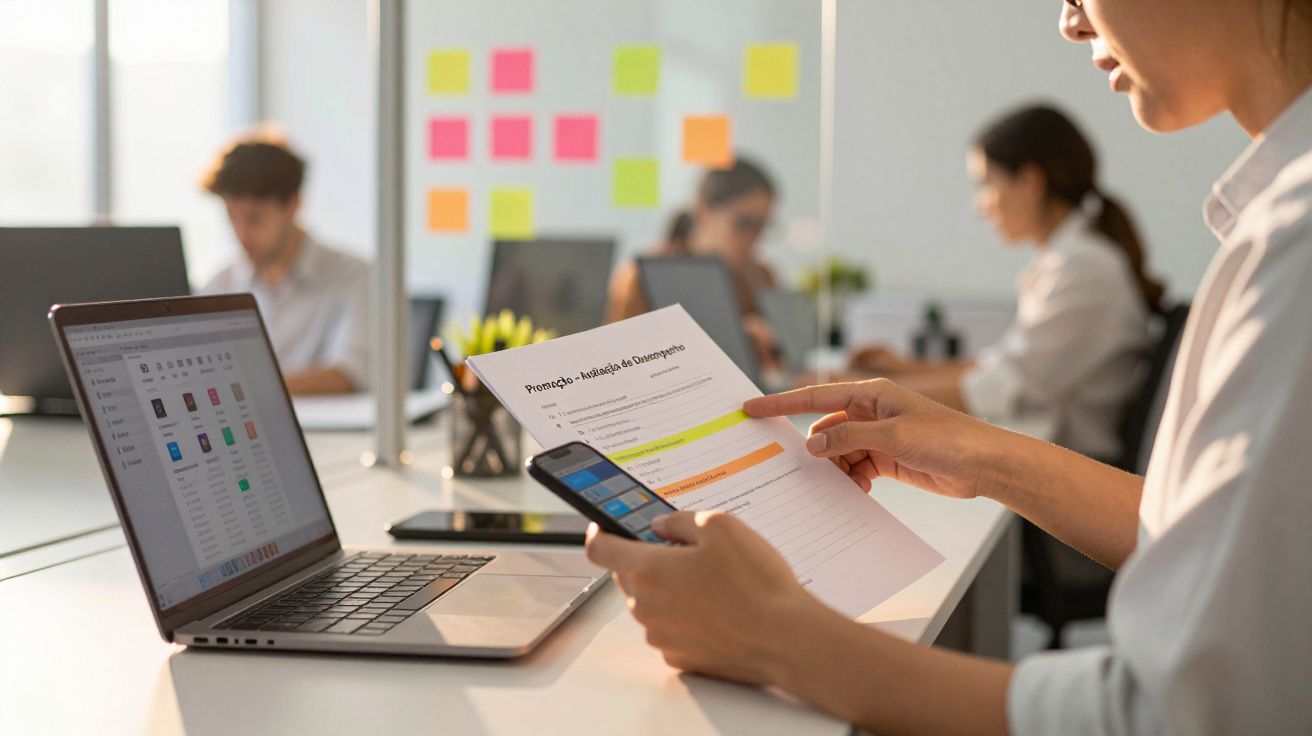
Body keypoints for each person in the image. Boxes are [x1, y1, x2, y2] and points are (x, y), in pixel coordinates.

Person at [585, 0, 1312, 732]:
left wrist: (774, 635)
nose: (1069, 20)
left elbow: (1178, 718)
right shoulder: (1274, 224)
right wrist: (984, 455)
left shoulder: (1294, 242)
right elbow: (1209, 538)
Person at [846, 105, 1164, 462]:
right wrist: (905, 368)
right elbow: (1002, 366)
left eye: (985, 183)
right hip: (1063, 457)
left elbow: (1000, 388)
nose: (979, 207)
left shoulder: (1084, 266)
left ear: (1029, 182)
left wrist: (853, 390)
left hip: (1079, 467)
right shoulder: (1067, 259)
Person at [200, 134, 371, 395]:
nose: (242, 233)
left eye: (255, 219)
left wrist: (246, 387)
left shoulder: (354, 277)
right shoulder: (220, 285)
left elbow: (351, 374)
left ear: (293, 205)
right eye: (233, 218)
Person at [606, 158, 780, 368]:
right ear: (702, 212)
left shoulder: (761, 276)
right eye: (745, 223)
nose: (756, 239)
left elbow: (778, 367)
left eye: (763, 226)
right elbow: (620, 363)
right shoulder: (642, 277)